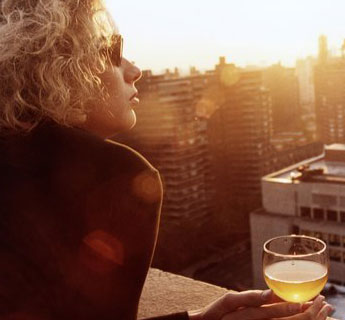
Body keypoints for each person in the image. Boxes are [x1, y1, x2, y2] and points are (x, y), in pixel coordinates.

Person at [0, 1, 334, 319]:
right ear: (61, 69)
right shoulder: (115, 174)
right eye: (112, 54)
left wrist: (203, 319)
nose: (136, 70)